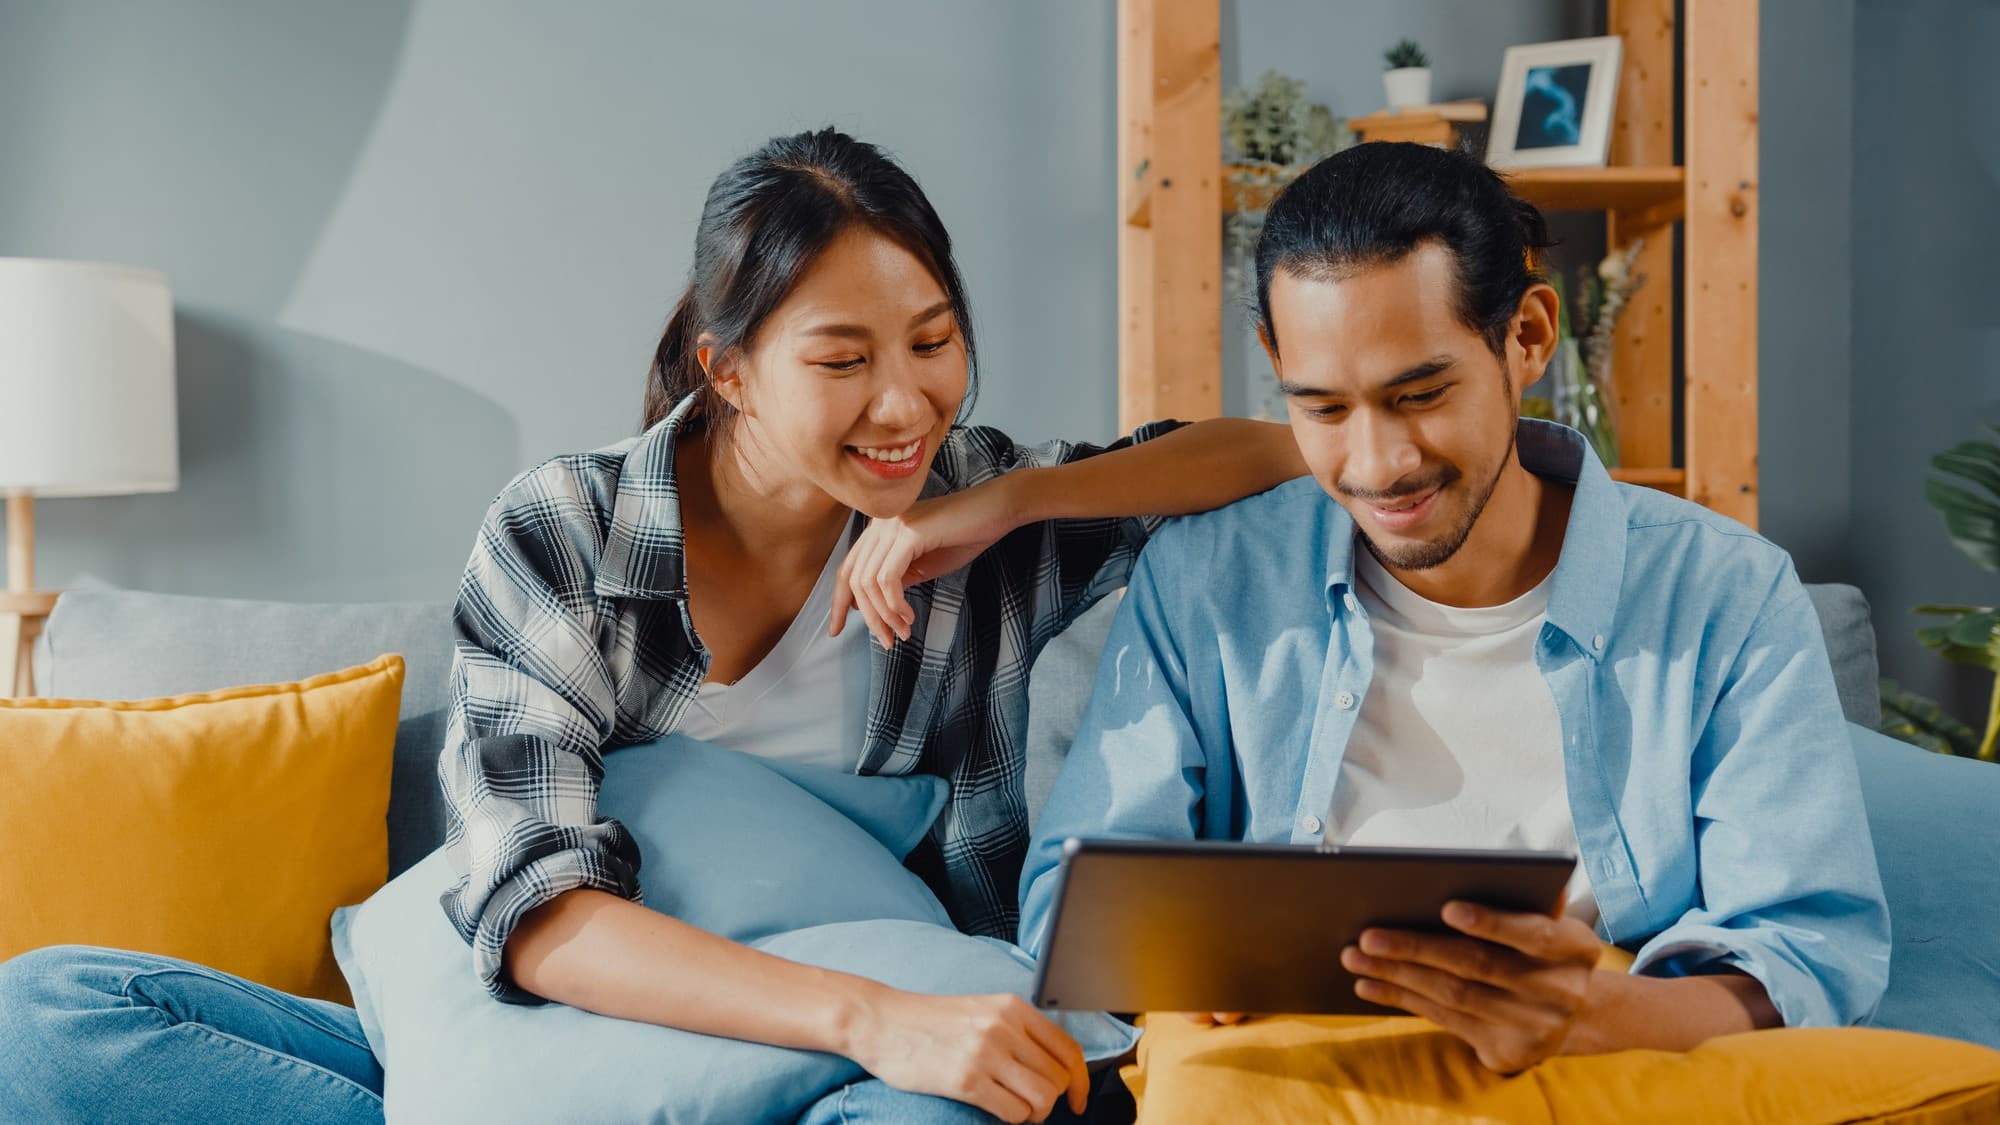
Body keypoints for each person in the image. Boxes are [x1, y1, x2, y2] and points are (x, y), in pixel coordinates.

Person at [0, 128, 1307, 1125]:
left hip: (845, 1072)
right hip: (598, 1028)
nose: (906, 400)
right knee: (46, 1012)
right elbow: (541, 918)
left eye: (934, 341)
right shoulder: (562, 532)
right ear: (727, 369)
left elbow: (1277, 454)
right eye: (843, 359)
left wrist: (1015, 500)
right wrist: (877, 1015)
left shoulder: (973, 512)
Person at [1020, 142, 1890, 1099]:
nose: (1377, 463)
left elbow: (1807, 951)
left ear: (1527, 335)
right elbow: (1074, 903)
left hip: (1614, 1056)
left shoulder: (1728, 594)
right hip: (1291, 1066)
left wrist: (1590, 1016)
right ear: (1276, 366)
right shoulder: (1205, 581)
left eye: (1421, 395)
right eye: (1322, 407)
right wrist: (1177, 985)